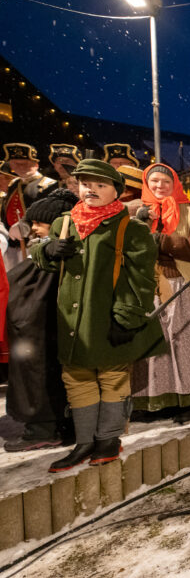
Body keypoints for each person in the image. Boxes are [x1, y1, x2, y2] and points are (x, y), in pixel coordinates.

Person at [31, 159, 164, 472]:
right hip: (71, 320)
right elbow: (42, 254)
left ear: (115, 192)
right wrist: (48, 252)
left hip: (106, 316)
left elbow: (142, 278)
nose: (90, 190)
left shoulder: (130, 227)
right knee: (76, 377)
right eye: (85, 184)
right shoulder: (65, 221)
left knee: (112, 376)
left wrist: (127, 317)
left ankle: (108, 439)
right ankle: (85, 441)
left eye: (100, 185)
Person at [129, 163, 190, 423]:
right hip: (148, 287)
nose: (159, 186)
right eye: (154, 181)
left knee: (185, 344)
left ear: (174, 184)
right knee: (154, 348)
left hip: (186, 286)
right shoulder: (137, 212)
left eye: (165, 181)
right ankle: (155, 400)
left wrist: (162, 241)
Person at [3, 189, 78, 452]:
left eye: (39, 223)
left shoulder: (59, 253)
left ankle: (44, 431)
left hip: (40, 333)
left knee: (41, 378)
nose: (34, 229)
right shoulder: (43, 251)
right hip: (33, 331)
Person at [1, 143, 59, 267]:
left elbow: (47, 214)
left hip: (32, 243)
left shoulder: (48, 185)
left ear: (36, 165)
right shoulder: (14, 183)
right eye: (16, 163)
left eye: (25, 164)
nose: (20, 167)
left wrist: (27, 226)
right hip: (11, 242)